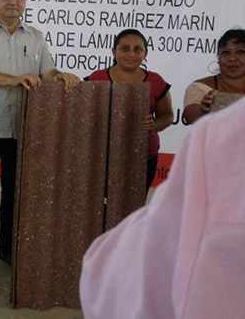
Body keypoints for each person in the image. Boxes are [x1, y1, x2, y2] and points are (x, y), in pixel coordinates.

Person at [80, 95, 245, 319]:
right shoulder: (221, 133)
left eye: (138, 54)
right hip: (104, 154)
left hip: (142, 154)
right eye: (227, 55)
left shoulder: (221, 136)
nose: (131, 56)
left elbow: (130, 278)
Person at [0, 0, 80, 279]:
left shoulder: (36, 36)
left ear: (25, 1)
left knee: (15, 195)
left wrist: (61, 76)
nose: (13, 2)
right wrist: (15, 80)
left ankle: (7, 250)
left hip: (23, 131)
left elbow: (46, 72)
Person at [85, 28, 173, 191]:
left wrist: (154, 124)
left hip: (144, 157)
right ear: (114, 51)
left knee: (134, 208)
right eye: (125, 48)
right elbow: (85, 115)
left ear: (145, 54)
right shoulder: (96, 78)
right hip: (102, 156)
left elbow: (168, 116)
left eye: (137, 49)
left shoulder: (156, 80)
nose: (131, 54)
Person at [183, 29, 245, 124]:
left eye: (240, 52)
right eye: (226, 53)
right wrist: (203, 112)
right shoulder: (200, 87)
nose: (232, 58)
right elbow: (191, 116)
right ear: (218, 57)